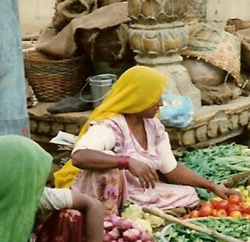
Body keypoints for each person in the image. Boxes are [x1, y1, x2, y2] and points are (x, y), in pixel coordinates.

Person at [53, 65, 236, 213]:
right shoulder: (111, 126)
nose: (161, 103)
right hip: (107, 195)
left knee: (189, 194)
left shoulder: (153, 125)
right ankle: (109, 219)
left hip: (139, 194)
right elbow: (79, 157)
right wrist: (125, 161)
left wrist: (211, 186)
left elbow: (170, 168)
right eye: (155, 97)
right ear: (138, 98)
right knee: (107, 166)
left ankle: (139, 211)